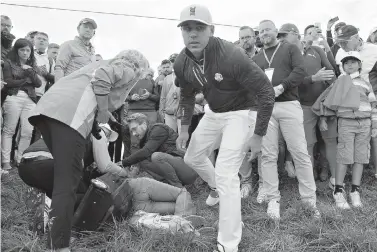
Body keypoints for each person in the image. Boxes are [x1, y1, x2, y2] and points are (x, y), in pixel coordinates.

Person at [174, 5, 274, 252]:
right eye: (187, 29)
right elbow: (186, 95)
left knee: (227, 172)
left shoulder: (231, 54)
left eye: (199, 28)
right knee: (192, 157)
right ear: (181, 32)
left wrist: (259, 135)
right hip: (214, 113)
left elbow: (266, 92)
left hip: (241, 112)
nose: (193, 34)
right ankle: (217, 190)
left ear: (212, 30)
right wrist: (184, 128)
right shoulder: (181, 62)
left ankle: (229, 242)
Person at [28, 49, 149, 252]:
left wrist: (97, 123)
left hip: (48, 111)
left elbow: (89, 88)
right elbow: (103, 78)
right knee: (67, 184)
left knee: (65, 177)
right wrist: (103, 110)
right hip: (69, 117)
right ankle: (59, 245)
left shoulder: (91, 66)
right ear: (139, 68)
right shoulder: (127, 67)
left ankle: (57, 234)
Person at [18, 124, 196, 233]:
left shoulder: (74, 132)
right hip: (52, 164)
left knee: (76, 189)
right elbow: (105, 166)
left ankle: (45, 204)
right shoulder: (98, 133)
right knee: (84, 197)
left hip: (26, 166)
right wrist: (124, 172)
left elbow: (90, 171)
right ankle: (50, 211)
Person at [252, 20, 318, 220]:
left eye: (267, 29)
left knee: (300, 152)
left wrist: (281, 86)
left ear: (276, 31)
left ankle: (309, 200)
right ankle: (273, 198)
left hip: (289, 104)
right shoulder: (256, 58)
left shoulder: (289, 48)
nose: (264, 33)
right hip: (266, 108)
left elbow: (299, 71)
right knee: (268, 154)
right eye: (261, 31)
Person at [313, 51, 377, 209]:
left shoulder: (365, 83)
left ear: (359, 64)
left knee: (360, 158)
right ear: (342, 66)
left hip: (364, 124)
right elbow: (326, 101)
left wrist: (374, 125)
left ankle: (355, 190)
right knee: (344, 157)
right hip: (346, 123)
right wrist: (322, 118)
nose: (349, 64)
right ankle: (338, 190)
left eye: (353, 62)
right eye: (346, 62)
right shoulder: (339, 81)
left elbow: (373, 105)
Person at [279, 23, 337, 185]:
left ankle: (331, 174)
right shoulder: (286, 56)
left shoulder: (317, 51)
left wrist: (332, 95)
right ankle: (309, 179)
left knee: (329, 139)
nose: (284, 42)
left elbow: (331, 72)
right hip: (303, 106)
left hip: (325, 105)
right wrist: (313, 78)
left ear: (298, 36)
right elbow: (289, 83)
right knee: (308, 143)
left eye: (286, 37)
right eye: (282, 39)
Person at [121, 113, 197, 188]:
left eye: (134, 129)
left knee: (156, 156)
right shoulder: (145, 139)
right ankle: (167, 186)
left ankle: (178, 188)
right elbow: (140, 156)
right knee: (142, 160)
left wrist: (123, 163)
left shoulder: (158, 129)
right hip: (178, 170)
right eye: (131, 131)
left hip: (189, 170)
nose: (134, 133)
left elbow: (146, 151)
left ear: (144, 124)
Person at [1, 39, 42, 170]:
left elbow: (38, 84)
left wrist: (30, 72)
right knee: (9, 130)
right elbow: (8, 82)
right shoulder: (8, 63)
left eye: (28, 50)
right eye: (22, 50)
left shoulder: (32, 65)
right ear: (17, 50)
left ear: (31, 52)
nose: (25, 53)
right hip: (13, 96)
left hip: (31, 99)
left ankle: (20, 160)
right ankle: (6, 161)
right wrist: (26, 79)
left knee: (27, 131)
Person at [159, 59, 181, 133]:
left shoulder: (186, 76)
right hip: (169, 111)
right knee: (171, 135)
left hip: (182, 111)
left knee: (182, 135)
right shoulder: (167, 78)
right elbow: (163, 96)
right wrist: (161, 111)